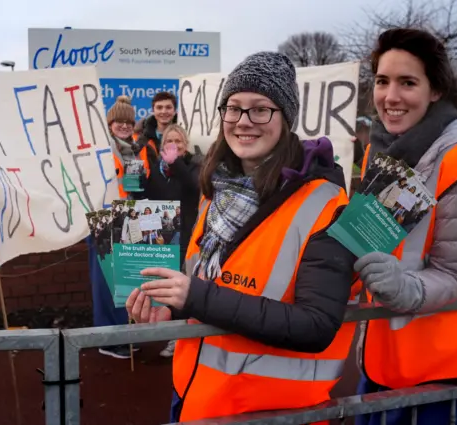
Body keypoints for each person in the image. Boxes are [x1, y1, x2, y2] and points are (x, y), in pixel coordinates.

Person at [125, 51, 359, 423]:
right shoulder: (214, 190)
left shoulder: (326, 205)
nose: (243, 121)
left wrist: (194, 297)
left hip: (270, 412)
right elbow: (201, 284)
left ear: (286, 118)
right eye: (233, 108)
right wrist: (168, 309)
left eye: (260, 109)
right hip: (194, 396)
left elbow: (316, 325)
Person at [353, 28, 457, 425]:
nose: (390, 96)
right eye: (383, 81)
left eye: (407, 82)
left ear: (435, 90)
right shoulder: (380, 148)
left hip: (443, 376)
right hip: (383, 360)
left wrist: (406, 288)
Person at [87, 95, 143, 359]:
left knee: (123, 279)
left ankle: (124, 333)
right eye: (119, 121)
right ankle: (108, 338)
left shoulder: (132, 149)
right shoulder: (101, 149)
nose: (124, 125)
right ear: (109, 124)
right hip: (104, 217)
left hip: (127, 218)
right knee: (105, 282)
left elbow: (133, 188)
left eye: (129, 121)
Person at [140, 123, 202, 358]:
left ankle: (179, 338)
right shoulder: (156, 169)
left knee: (181, 288)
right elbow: (150, 196)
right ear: (162, 145)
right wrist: (136, 182)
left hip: (186, 237)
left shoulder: (193, 165)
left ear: (184, 147)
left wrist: (177, 164)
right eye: (169, 142)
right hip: (162, 238)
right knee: (164, 287)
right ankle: (170, 334)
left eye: (178, 142)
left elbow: (194, 187)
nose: (173, 146)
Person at [135, 91, 177, 155]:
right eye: (159, 108)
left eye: (168, 107)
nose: (164, 111)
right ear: (153, 111)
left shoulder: (185, 135)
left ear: (175, 111)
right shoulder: (141, 139)